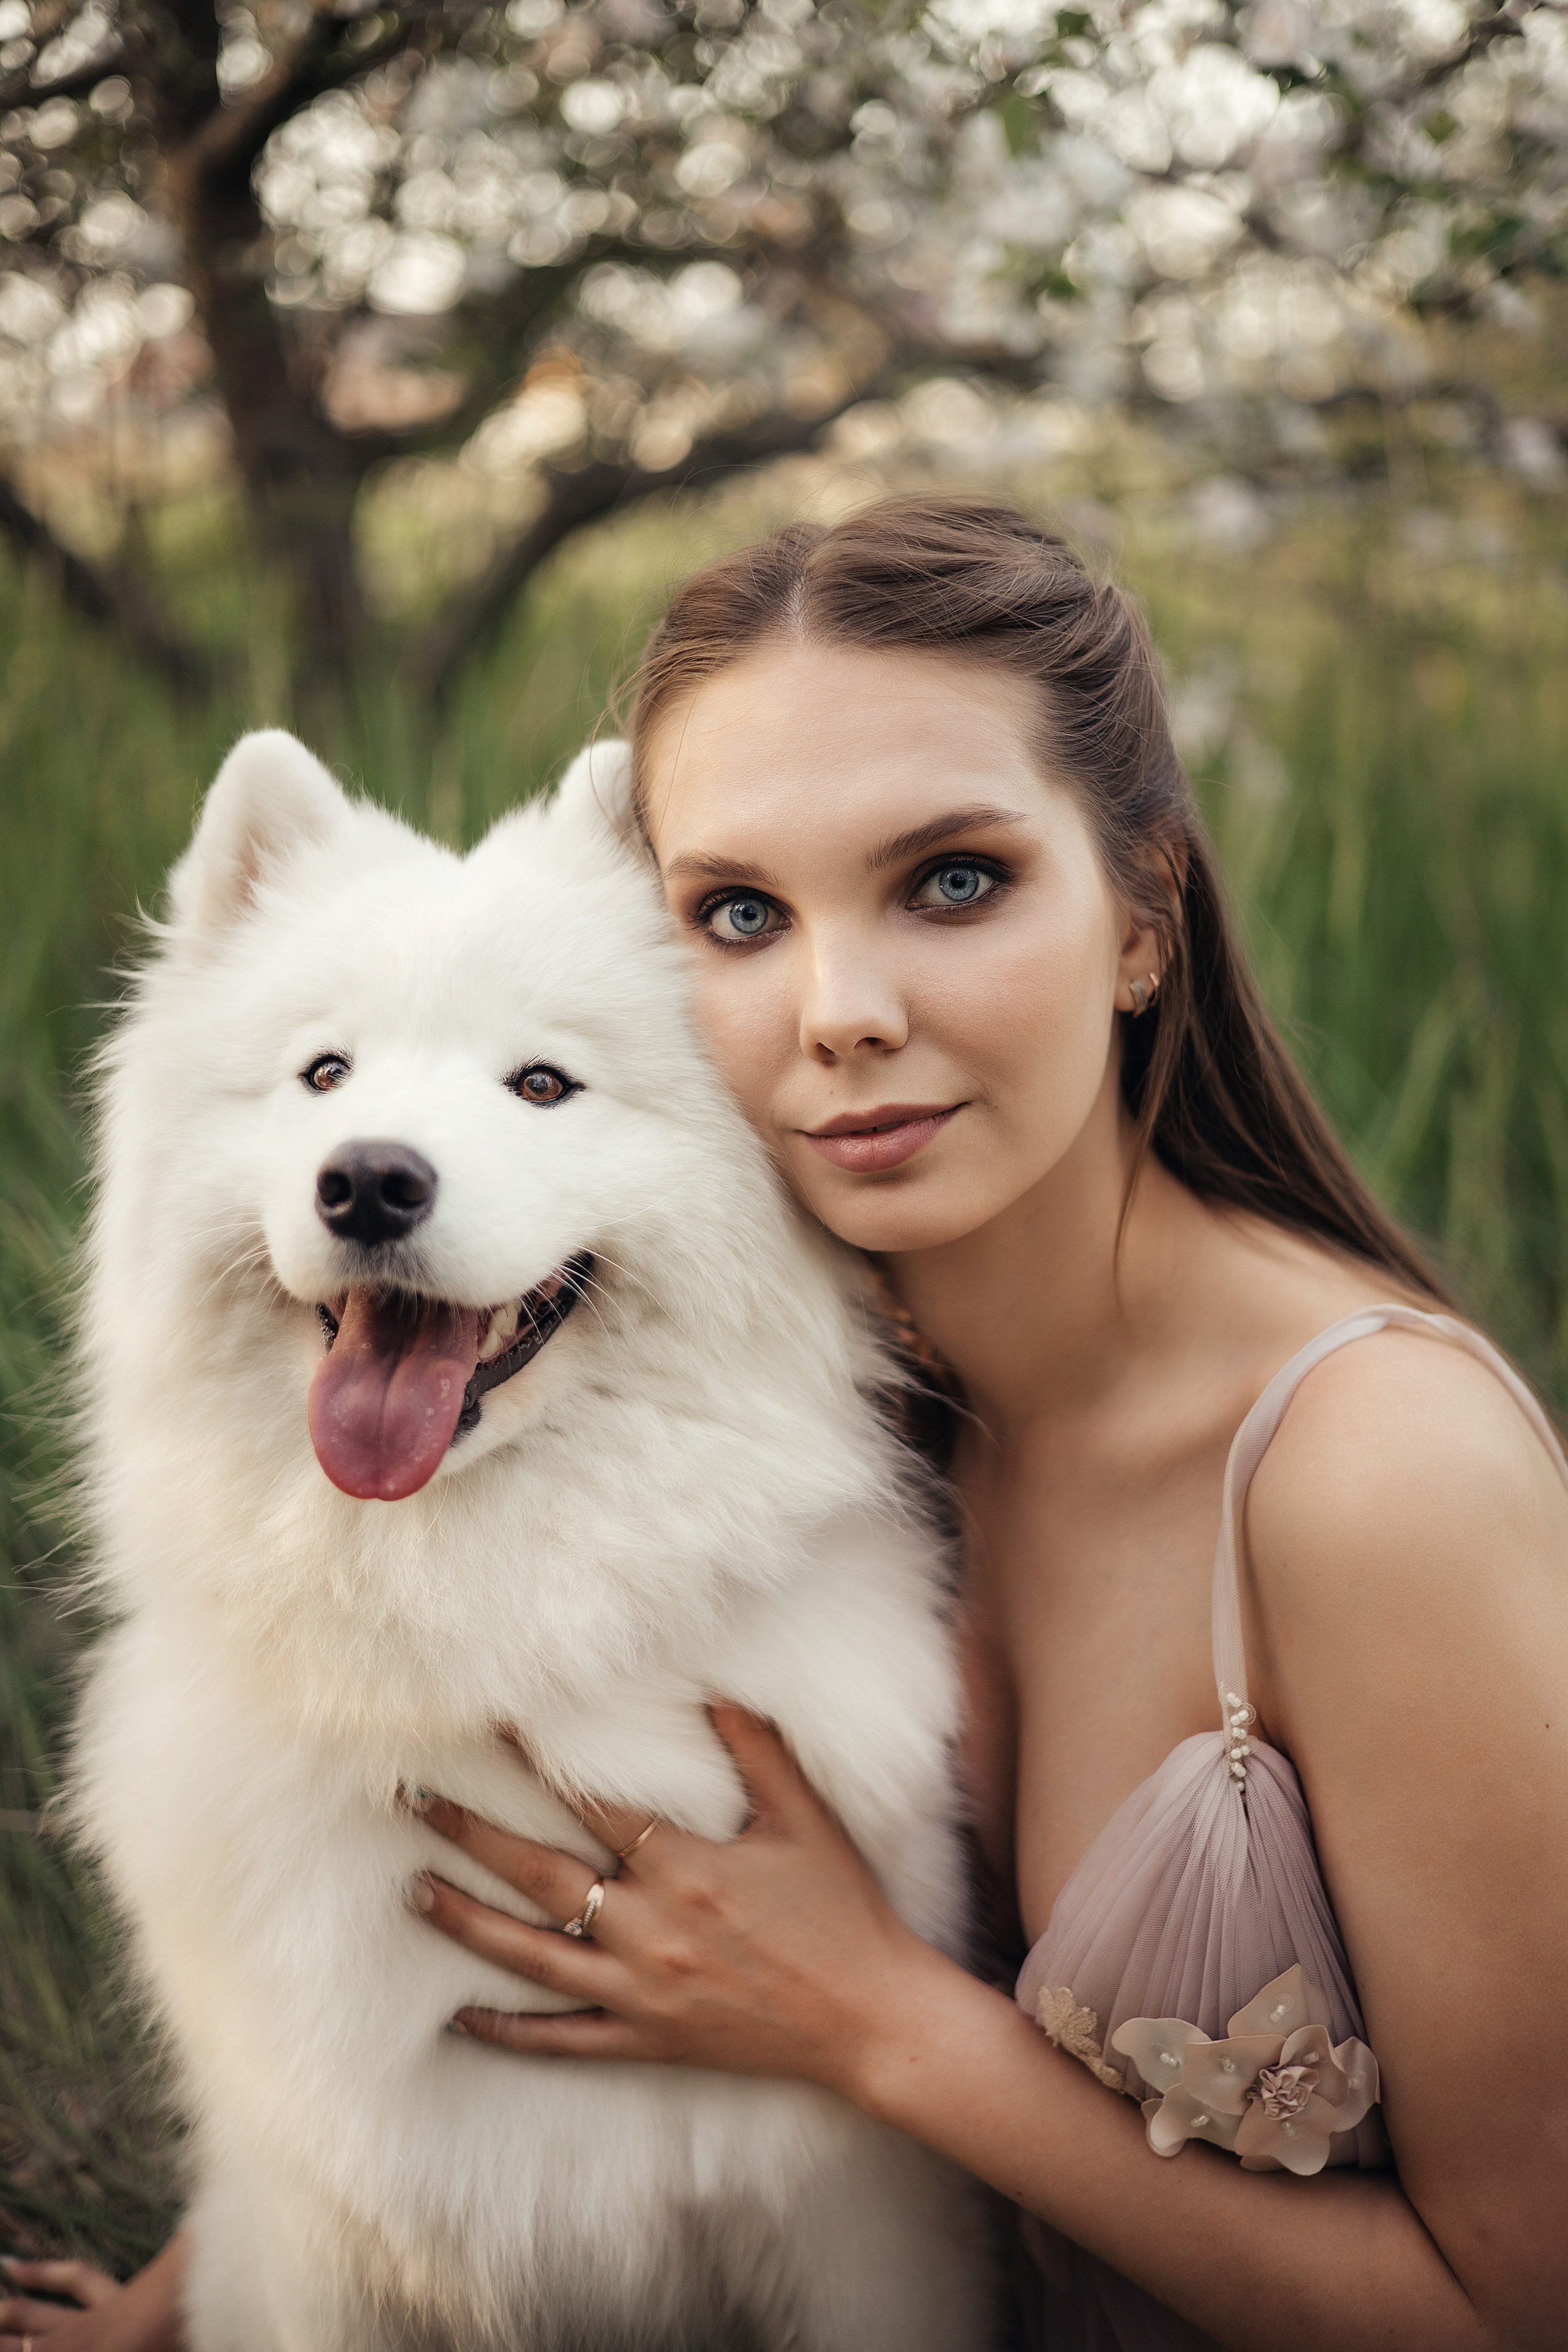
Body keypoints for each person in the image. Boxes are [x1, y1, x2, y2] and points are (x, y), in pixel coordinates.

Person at [9, 496, 1566, 2352]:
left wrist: (878, 2024)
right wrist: (207, 2286)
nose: (839, 1013)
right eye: (742, 913)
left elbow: (1521, 2307)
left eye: (955, 881)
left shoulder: (1378, 1476)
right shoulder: (809, 1409)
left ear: (1147, 917)